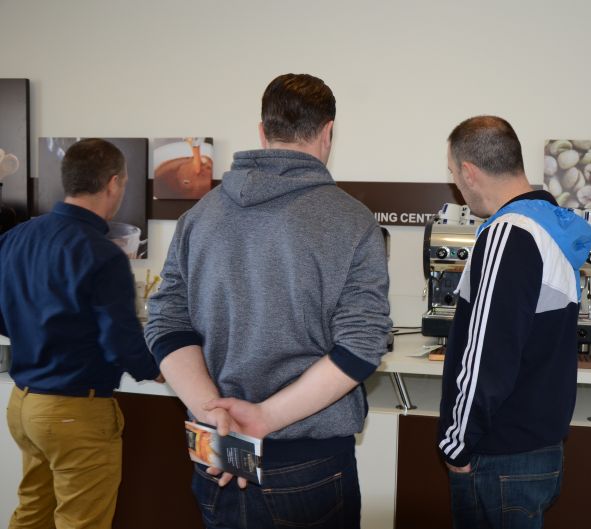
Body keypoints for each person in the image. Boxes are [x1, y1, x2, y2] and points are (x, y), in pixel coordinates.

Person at [144, 73, 391, 529]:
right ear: (328, 132)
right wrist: (259, 418)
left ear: (262, 131)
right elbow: (362, 345)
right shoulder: (352, 221)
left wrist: (214, 414)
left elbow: (165, 322)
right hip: (308, 463)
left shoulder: (200, 215)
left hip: (216, 451)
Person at [437, 116, 591, 529]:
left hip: (499, 457)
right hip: (539, 451)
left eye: (452, 173)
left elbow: (489, 353)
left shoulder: (508, 234)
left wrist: (456, 444)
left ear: (469, 172)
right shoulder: (549, 227)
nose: (455, 183)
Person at [0, 138, 162, 529]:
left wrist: (33, 333)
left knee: (32, 513)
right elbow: (121, 342)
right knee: (81, 523)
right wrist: (160, 370)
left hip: (23, 406)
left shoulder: (18, 236)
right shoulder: (102, 254)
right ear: (113, 183)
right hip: (74, 413)